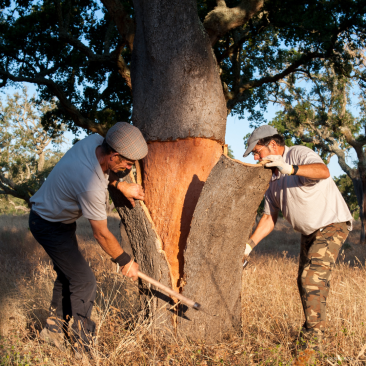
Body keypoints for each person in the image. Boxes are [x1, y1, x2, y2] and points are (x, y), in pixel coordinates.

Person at [29, 122, 147, 355]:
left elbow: (105, 173)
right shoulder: (89, 185)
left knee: (68, 276)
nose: (128, 168)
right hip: (47, 224)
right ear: (113, 156)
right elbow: (101, 234)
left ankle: (51, 332)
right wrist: (125, 261)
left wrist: (121, 185)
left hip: (56, 221)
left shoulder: (95, 142)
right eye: (127, 164)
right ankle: (83, 346)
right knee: (84, 281)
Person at [242, 125, 352, 351]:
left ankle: (312, 346)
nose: (255, 157)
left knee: (310, 279)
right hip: (309, 232)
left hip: (331, 223)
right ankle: (312, 332)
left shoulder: (297, 153)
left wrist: (289, 168)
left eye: (257, 151)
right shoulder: (271, 179)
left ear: (272, 145)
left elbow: (323, 171)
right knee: (307, 282)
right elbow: (269, 219)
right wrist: (248, 246)